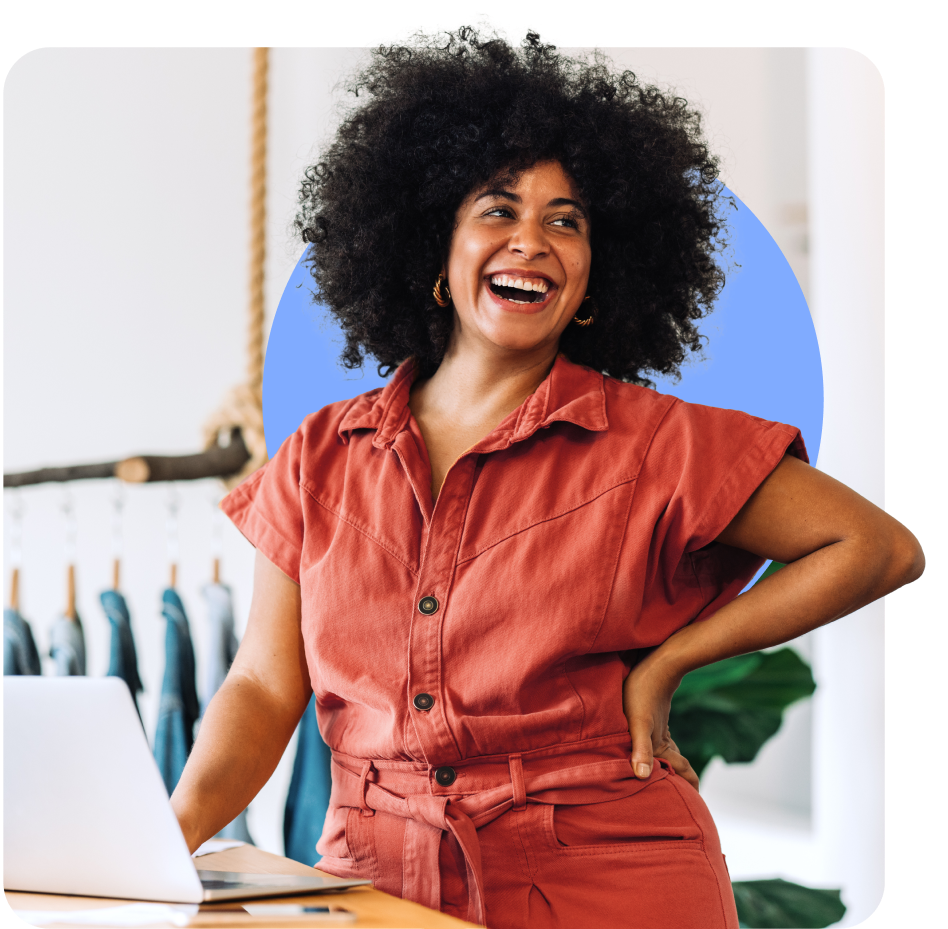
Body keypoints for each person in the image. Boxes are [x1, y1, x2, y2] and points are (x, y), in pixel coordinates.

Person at [170, 27, 919, 929]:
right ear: (431, 247)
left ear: (598, 275)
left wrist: (672, 659)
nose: (532, 240)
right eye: (498, 209)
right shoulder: (320, 455)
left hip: (611, 882)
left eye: (566, 221)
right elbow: (260, 685)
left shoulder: (656, 444)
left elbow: (876, 547)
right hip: (377, 881)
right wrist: (164, 841)